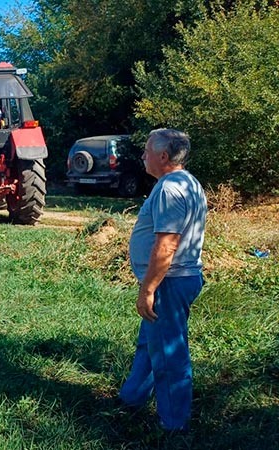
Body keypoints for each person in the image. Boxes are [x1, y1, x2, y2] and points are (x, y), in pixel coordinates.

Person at [119, 128, 207, 432]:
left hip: (169, 281)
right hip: (177, 279)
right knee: (150, 343)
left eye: (146, 150)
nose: (142, 155)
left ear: (163, 156)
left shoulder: (170, 188)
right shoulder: (188, 182)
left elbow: (167, 244)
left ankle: (174, 425)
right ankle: (131, 398)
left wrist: (149, 289)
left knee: (169, 352)